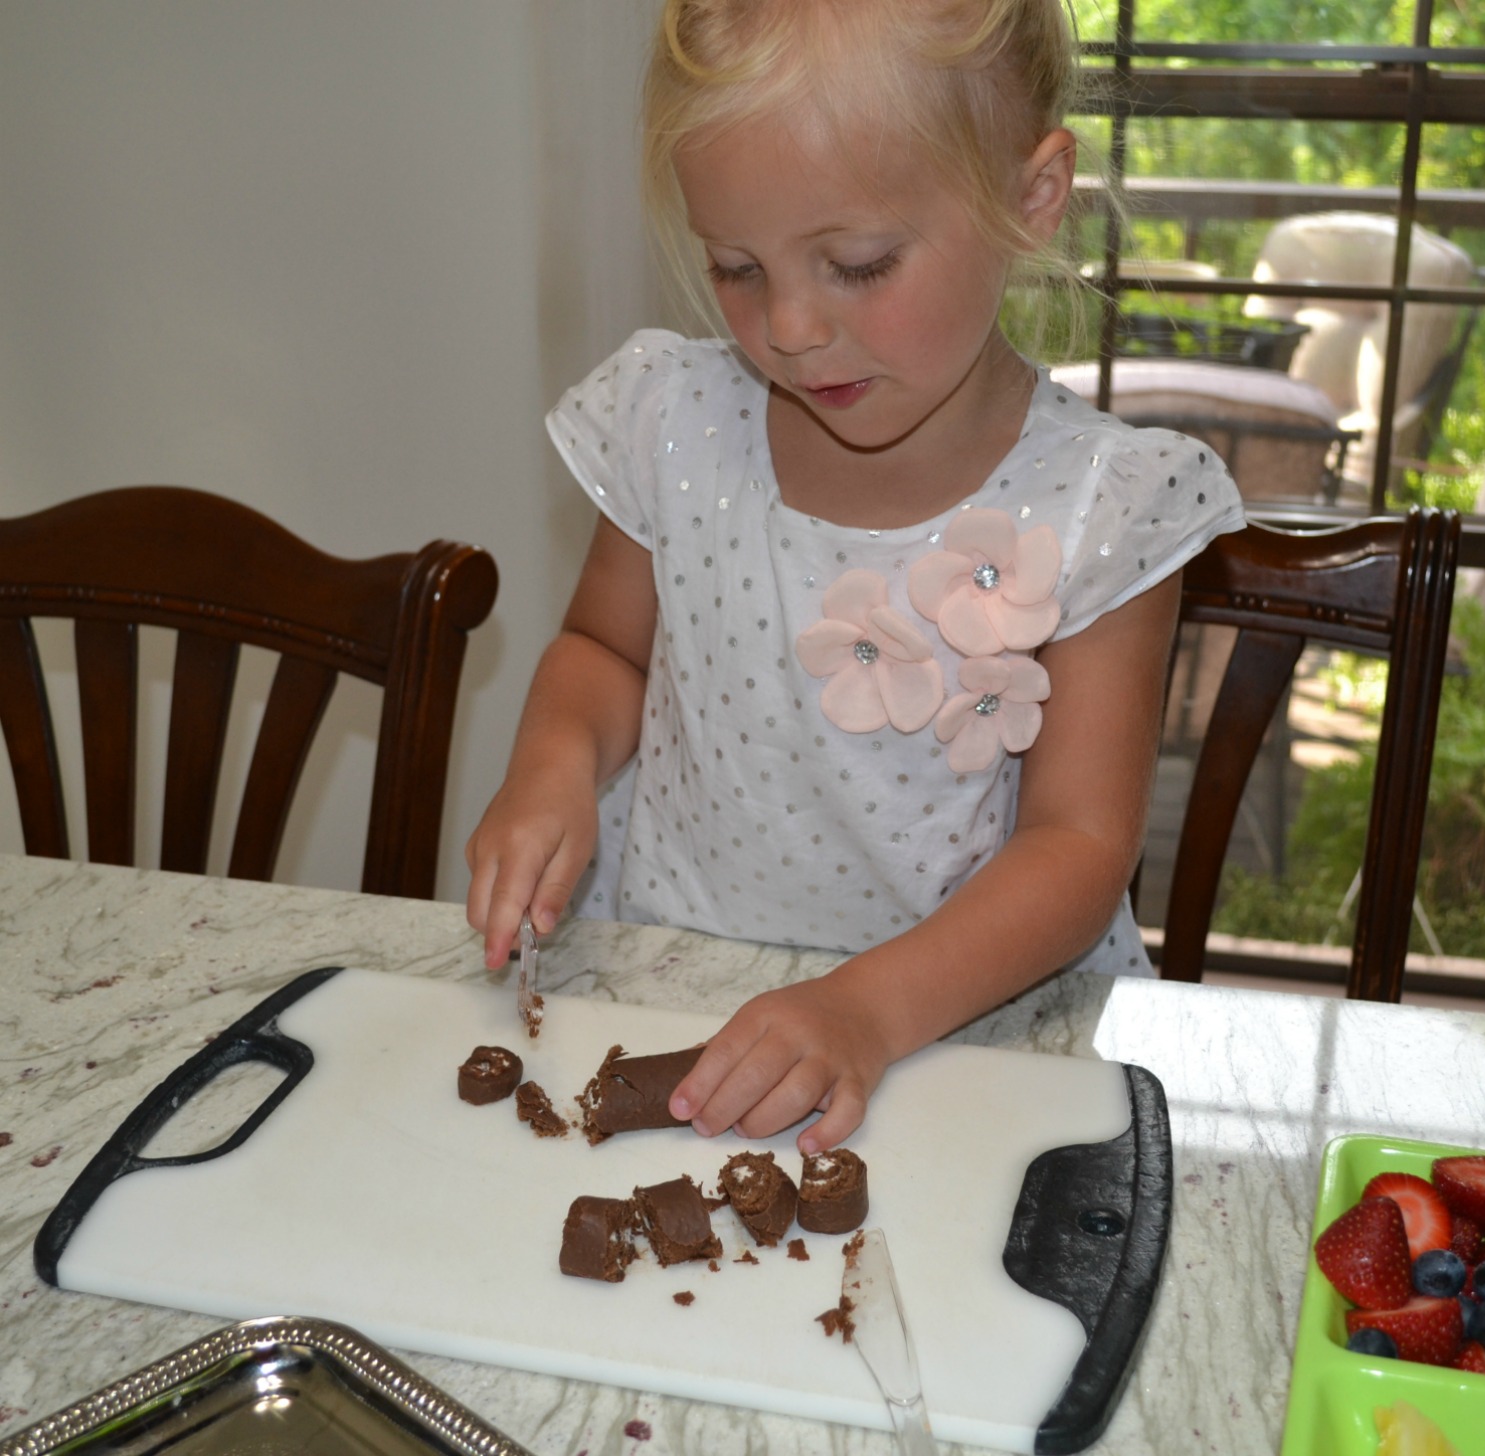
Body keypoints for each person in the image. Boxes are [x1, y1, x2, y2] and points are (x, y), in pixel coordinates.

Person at [465, 0, 1242, 1152]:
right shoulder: (675, 424)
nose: (787, 326)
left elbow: (1078, 846)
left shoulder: (1103, 506)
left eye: (858, 263)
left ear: (1034, 198)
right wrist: (550, 768)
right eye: (735, 267)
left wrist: (865, 1010)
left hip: (960, 1052)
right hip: (666, 1003)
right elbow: (604, 653)